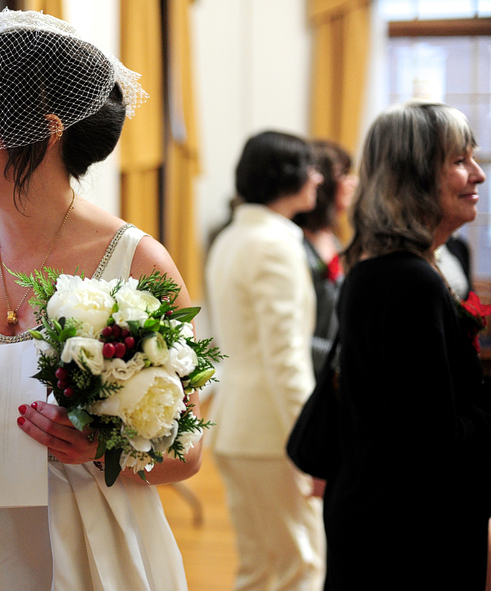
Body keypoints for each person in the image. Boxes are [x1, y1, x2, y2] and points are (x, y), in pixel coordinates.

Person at [0, 9, 201, 591]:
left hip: (86, 531)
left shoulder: (138, 263)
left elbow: (189, 449)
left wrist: (104, 450)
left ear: (45, 129)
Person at [325, 101, 491, 589]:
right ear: (413, 177)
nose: (478, 175)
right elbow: (429, 443)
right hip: (403, 539)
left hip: (387, 519)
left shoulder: (393, 268)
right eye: (460, 161)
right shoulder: (405, 281)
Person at [206, 131, 325, 591]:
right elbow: (285, 357)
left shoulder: (232, 236)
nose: (317, 177)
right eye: (309, 167)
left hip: (237, 425)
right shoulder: (276, 244)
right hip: (273, 434)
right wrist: (312, 440)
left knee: (256, 570)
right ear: (286, 176)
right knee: (302, 567)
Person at [292, 140, 357, 375]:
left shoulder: (335, 239)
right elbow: (295, 338)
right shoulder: (297, 244)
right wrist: (353, 359)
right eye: (343, 174)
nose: (353, 182)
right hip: (311, 375)